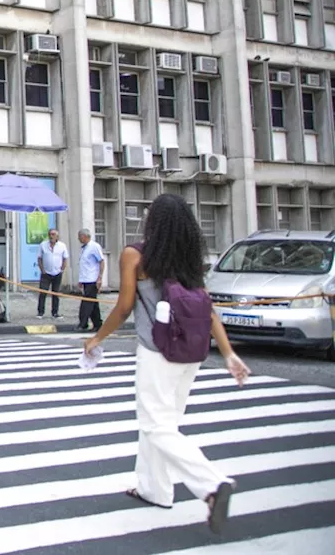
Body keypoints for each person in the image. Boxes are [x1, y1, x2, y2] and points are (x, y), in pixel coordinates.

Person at [84, 193, 249, 533]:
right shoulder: (187, 259)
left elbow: (124, 307)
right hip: (191, 354)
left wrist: (97, 338)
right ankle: (155, 489)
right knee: (163, 424)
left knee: (156, 425)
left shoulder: (136, 255)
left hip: (157, 352)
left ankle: (212, 484)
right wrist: (229, 353)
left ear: (152, 222)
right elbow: (208, 308)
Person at [78, 228, 107, 331]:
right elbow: (84, 265)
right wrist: (80, 280)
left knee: (87, 302)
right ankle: (98, 324)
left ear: (85, 236)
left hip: (92, 279)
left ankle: (83, 323)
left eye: (80, 236)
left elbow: (101, 261)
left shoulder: (94, 246)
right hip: (85, 279)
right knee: (93, 303)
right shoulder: (83, 248)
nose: (79, 239)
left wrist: (100, 277)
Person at [36, 228, 69, 319]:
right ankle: (40, 312)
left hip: (57, 272)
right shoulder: (43, 245)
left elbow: (65, 258)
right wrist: (42, 269)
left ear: (57, 236)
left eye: (53, 234)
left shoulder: (62, 246)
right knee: (43, 292)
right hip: (46, 273)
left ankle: (55, 312)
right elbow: (39, 258)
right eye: (50, 234)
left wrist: (62, 269)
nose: (51, 236)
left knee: (56, 293)